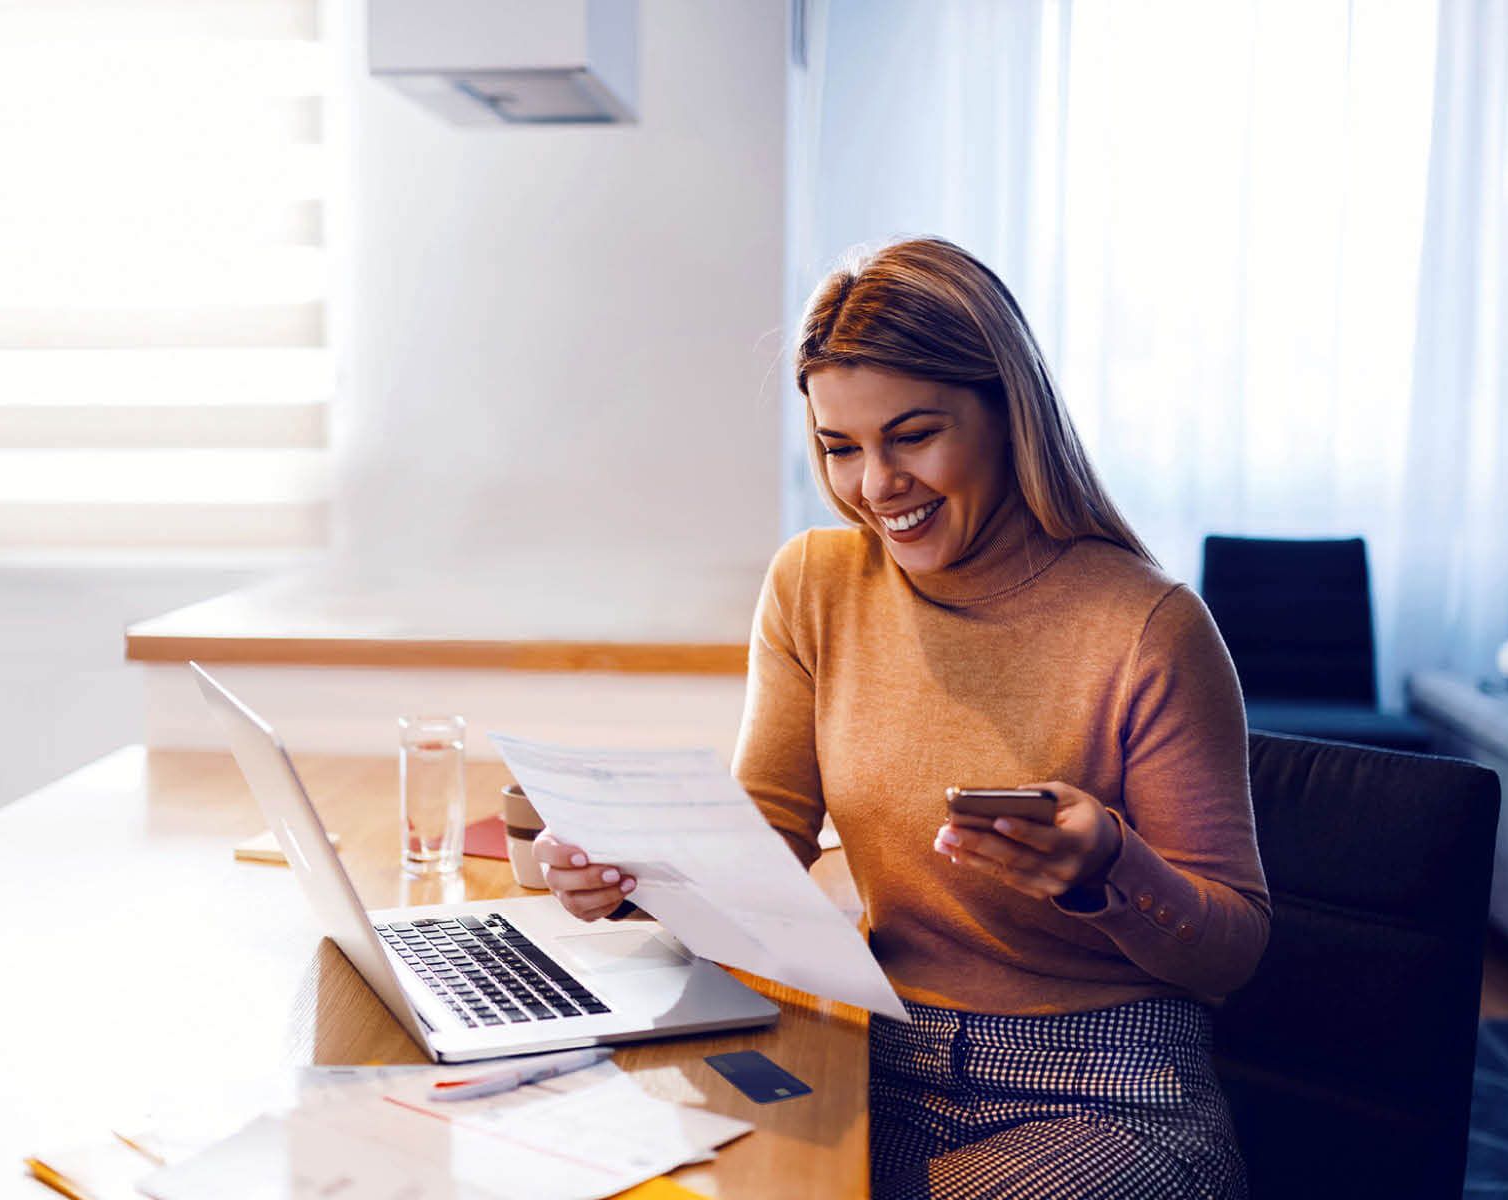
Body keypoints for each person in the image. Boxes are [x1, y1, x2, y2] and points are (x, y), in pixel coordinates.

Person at [533, 236, 1270, 1198]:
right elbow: (766, 843)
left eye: (912, 436)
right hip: (874, 1047)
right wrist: (632, 877)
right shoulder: (816, 585)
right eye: (841, 448)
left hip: (1105, 1089)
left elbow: (1235, 950)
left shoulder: (1148, 626)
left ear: (1008, 413)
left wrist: (1108, 870)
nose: (875, 487)